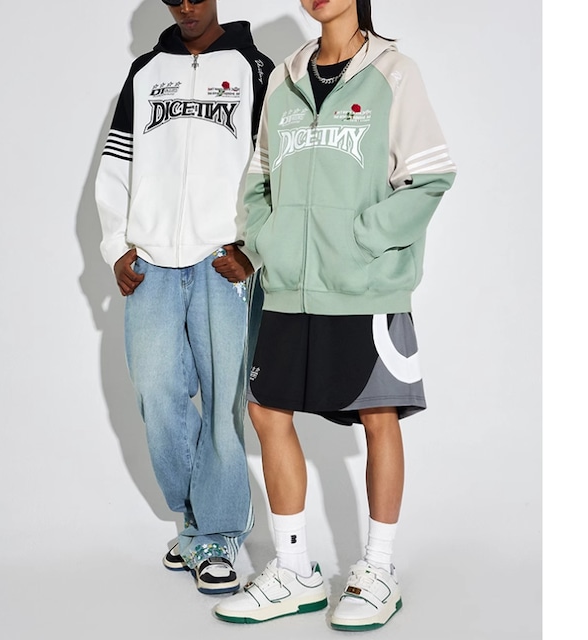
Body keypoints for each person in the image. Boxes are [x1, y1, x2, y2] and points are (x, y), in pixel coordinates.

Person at [214, 0, 456, 630]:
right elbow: (259, 178)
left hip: (363, 286)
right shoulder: (285, 77)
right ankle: (294, 571)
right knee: (267, 411)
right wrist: (266, 241)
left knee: (379, 414)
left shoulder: (393, 72)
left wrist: (362, 239)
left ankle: (377, 570)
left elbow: (431, 176)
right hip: (288, 284)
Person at [95, 0, 274, 596]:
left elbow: (273, 167)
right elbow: (116, 165)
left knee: (224, 399)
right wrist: (116, 246)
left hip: (223, 260)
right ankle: (201, 519)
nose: (187, 8)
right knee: (156, 389)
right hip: (150, 261)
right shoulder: (146, 72)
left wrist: (253, 248)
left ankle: (215, 532)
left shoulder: (256, 69)